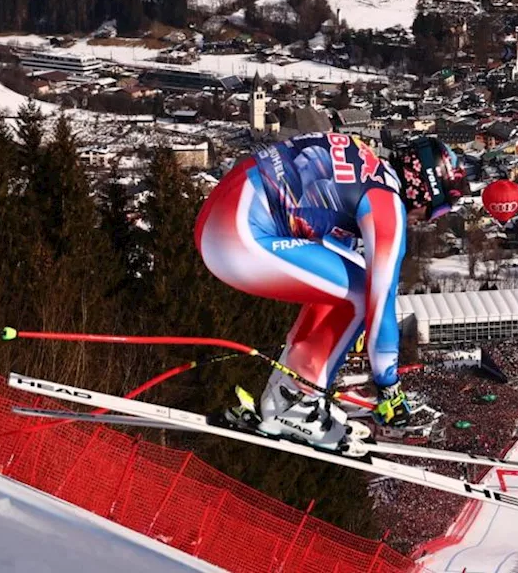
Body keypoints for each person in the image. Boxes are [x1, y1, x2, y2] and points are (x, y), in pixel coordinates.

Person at [194, 132, 466, 449]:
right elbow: (382, 301)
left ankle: (291, 397)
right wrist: (388, 387)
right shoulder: (386, 202)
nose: (426, 220)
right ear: (425, 190)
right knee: (364, 294)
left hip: (219, 216)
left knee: (345, 287)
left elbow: (329, 241)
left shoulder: (365, 158)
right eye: (436, 211)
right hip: (236, 238)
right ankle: (296, 405)